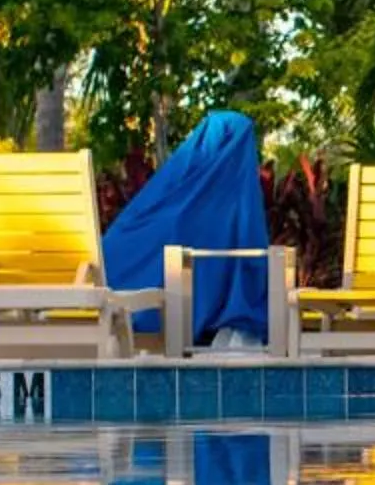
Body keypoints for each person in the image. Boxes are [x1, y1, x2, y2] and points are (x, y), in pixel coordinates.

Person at [100, 110, 270, 347]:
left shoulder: (169, 193)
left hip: (109, 297)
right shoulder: (241, 206)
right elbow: (255, 262)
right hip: (160, 311)